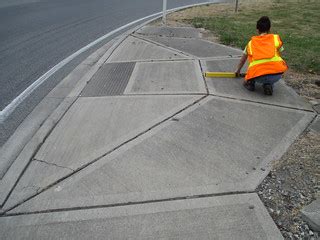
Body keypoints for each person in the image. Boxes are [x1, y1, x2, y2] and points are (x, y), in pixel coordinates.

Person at [235, 16, 288, 95]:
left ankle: (250, 83)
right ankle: (268, 84)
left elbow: (242, 60)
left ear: (257, 29)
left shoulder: (251, 43)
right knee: (269, 73)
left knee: (251, 74)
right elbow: (280, 54)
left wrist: (238, 71)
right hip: (277, 74)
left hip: (258, 76)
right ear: (269, 29)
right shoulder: (275, 39)